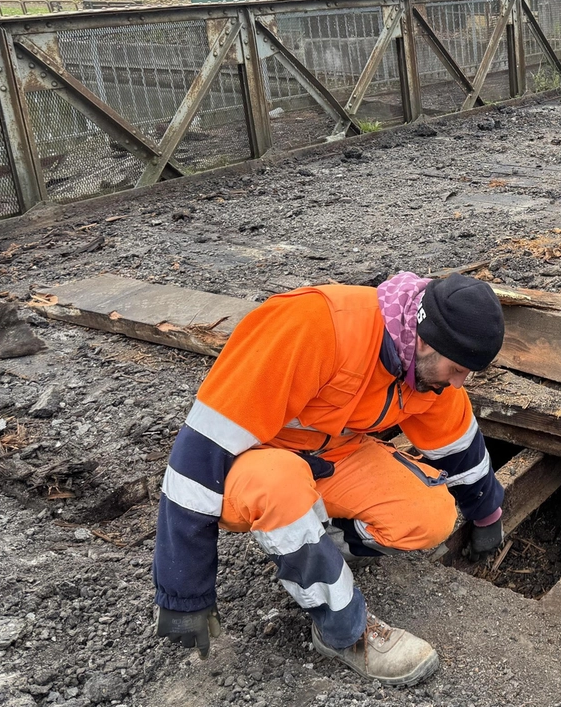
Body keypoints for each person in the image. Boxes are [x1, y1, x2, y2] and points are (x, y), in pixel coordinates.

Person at [151, 272, 507, 686]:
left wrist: (487, 512)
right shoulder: (316, 326)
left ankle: (313, 543)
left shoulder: (424, 367)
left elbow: (458, 445)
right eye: (458, 369)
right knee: (279, 482)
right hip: (251, 465)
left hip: (330, 457)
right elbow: (195, 462)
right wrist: (184, 593)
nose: (458, 383)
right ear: (425, 341)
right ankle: (344, 632)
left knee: (429, 515)